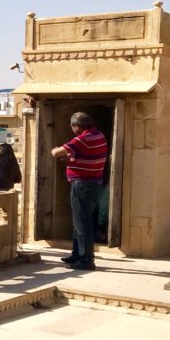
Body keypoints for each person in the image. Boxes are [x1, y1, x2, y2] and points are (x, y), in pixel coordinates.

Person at [51, 112, 108, 271]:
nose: (71, 128)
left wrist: (56, 149)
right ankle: (77, 253)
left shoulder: (82, 139)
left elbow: (56, 153)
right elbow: (88, 155)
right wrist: (73, 159)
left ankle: (86, 259)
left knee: (82, 223)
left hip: (83, 185)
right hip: (94, 183)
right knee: (80, 222)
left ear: (77, 126)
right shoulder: (99, 135)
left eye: (72, 125)